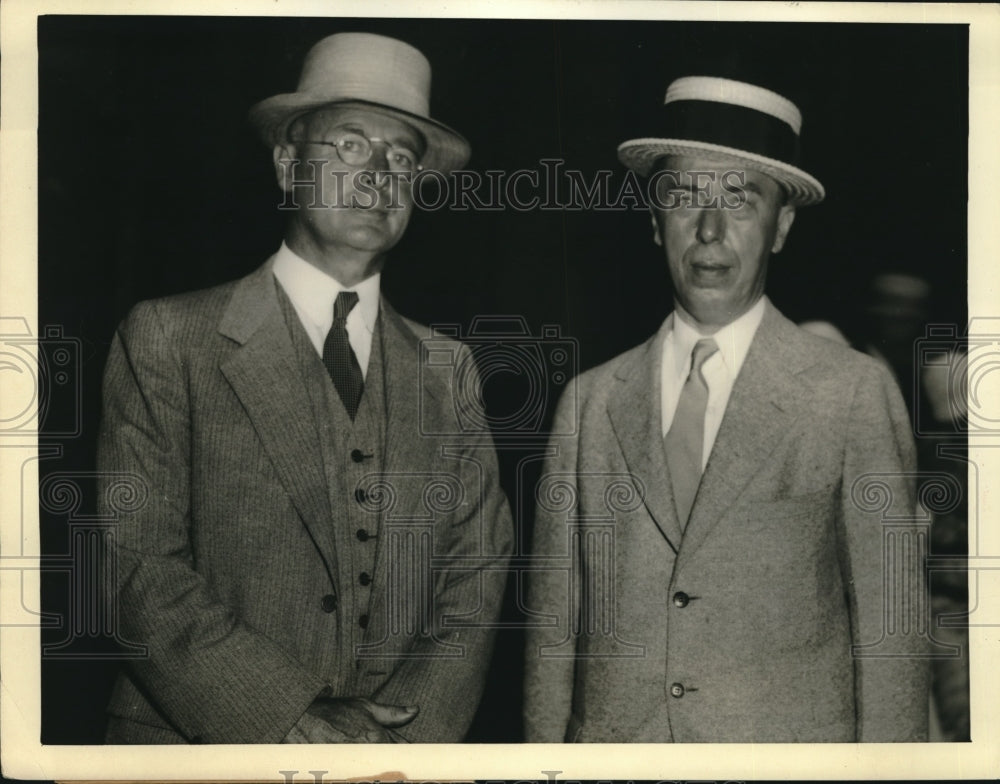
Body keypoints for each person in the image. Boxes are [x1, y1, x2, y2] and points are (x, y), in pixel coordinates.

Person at [98, 32, 513, 744]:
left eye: (402, 157)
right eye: (350, 145)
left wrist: (397, 743)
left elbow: (474, 584)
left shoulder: (451, 369)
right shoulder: (169, 337)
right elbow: (136, 567)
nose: (378, 173)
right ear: (288, 164)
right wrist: (285, 717)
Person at [524, 75, 929, 742]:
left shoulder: (850, 392)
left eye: (740, 202)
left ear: (782, 227)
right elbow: (551, 636)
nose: (710, 232)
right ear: (656, 222)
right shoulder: (590, 404)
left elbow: (892, 638)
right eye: (685, 198)